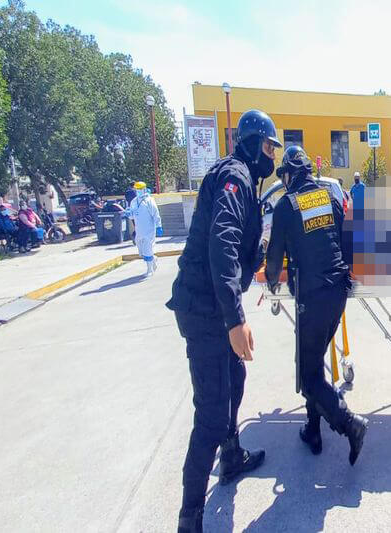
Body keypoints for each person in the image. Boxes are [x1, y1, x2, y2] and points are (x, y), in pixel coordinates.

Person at [165, 109, 281, 532]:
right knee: (210, 417)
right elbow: (222, 241)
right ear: (253, 144)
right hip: (205, 313)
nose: (272, 155)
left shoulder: (247, 184)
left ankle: (230, 457)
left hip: (212, 307)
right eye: (269, 146)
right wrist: (235, 319)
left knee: (236, 380)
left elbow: (242, 249)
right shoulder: (235, 177)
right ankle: (189, 518)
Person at [265, 146, 369, 465]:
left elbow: (274, 257)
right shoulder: (331, 198)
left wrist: (271, 280)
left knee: (308, 375)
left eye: (283, 176)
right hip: (337, 294)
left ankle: (350, 424)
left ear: (290, 175)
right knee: (314, 362)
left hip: (313, 296)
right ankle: (312, 429)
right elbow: (347, 241)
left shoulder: (286, 205)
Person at [126, 182, 163, 277]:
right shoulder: (134, 201)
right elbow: (132, 216)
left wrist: (158, 225)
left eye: (139, 189)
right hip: (139, 230)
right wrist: (128, 214)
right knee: (141, 250)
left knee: (147, 248)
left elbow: (155, 213)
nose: (137, 191)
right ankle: (153, 259)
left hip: (149, 229)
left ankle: (149, 270)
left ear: (144, 189)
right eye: (136, 189)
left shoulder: (149, 200)